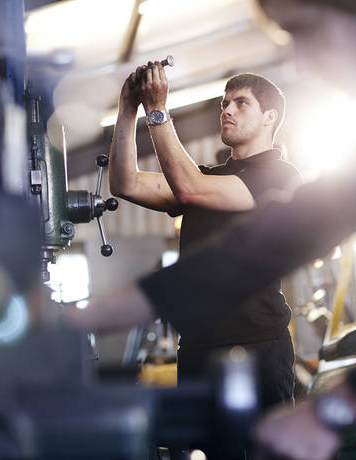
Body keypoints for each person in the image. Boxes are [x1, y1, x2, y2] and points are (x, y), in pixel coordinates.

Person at [68, 0, 356, 458]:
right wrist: (90, 316)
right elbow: (290, 231)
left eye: (307, 31)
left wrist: (337, 408)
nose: (301, 62)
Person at [108, 67, 302, 410]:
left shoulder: (280, 176)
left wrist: (157, 111)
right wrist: (127, 108)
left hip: (256, 345)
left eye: (241, 103)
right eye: (224, 103)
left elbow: (189, 188)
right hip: (198, 346)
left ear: (269, 117)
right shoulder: (206, 177)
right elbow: (126, 183)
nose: (226, 110)